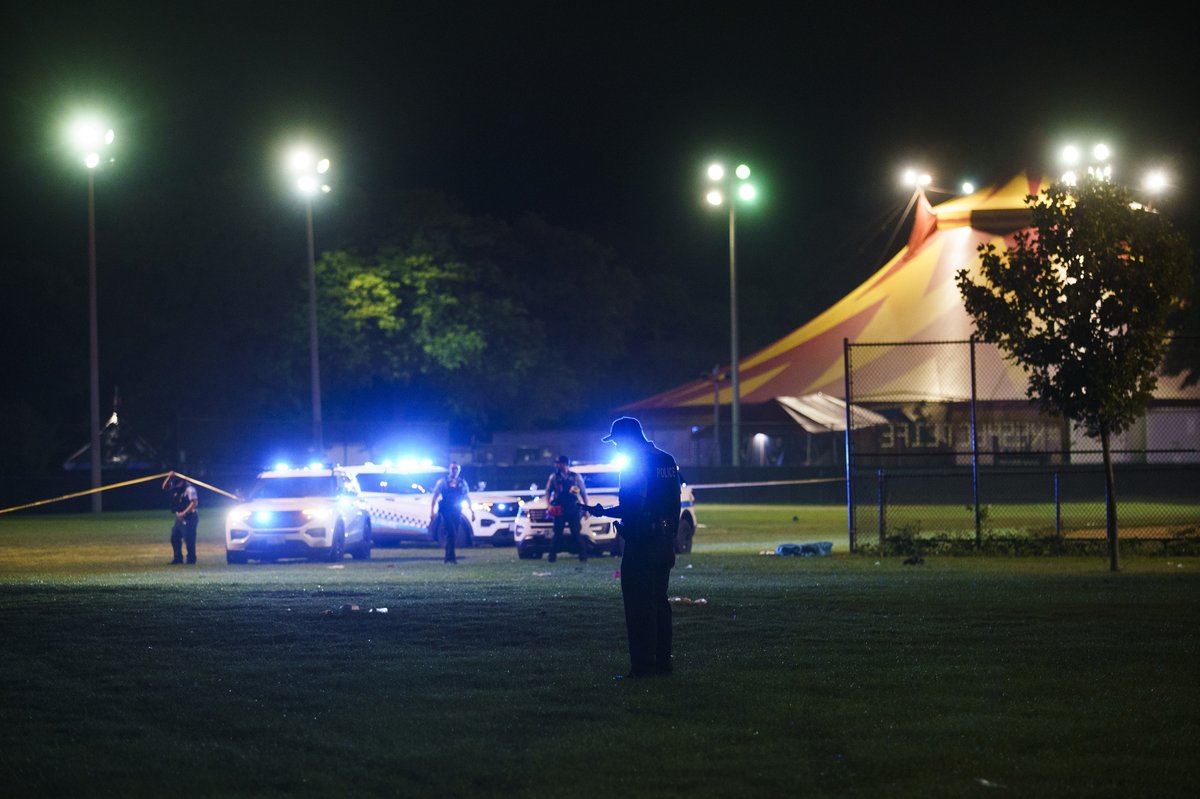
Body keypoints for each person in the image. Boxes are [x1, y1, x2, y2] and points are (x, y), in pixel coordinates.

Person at [585, 417, 681, 679]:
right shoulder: (666, 459)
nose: (616, 448)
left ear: (627, 440)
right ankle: (663, 663)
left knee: (639, 607)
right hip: (664, 541)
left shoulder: (634, 463)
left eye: (617, 442)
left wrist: (628, 526)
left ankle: (642, 667)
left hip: (641, 543)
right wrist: (606, 512)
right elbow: (674, 501)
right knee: (660, 603)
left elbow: (634, 504)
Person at [544, 454, 589, 563]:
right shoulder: (554, 477)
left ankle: (583, 557)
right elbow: (548, 492)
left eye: (559, 463)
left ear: (565, 464)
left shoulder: (576, 477)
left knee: (576, 532)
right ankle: (552, 557)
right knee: (557, 533)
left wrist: (586, 509)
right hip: (560, 508)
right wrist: (549, 505)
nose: (557, 465)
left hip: (573, 508)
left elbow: (583, 493)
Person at [429, 461, 475, 563]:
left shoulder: (462, 482)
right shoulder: (443, 482)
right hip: (446, 510)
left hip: (457, 510)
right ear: (449, 470)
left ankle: (448, 557)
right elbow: (435, 496)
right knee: (451, 532)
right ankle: (451, 558)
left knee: (453, 533)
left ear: (459, 470)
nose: (454, 470)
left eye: (456, 469)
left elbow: (467, 497)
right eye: (453, 468)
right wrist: (432, 512)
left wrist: (472, 512)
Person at [162, 471, 199, 565]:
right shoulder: (175, 486)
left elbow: (194, 503)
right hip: (179, 518)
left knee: (189, 539)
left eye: (178, 483)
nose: (176, 486)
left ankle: (191, 559)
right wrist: (169, 476)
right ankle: (178, 558)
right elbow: (164, 487)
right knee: (175, 537)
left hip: (190, 517)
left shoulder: (190, 489)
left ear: (183, 481)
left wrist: (184, 512)